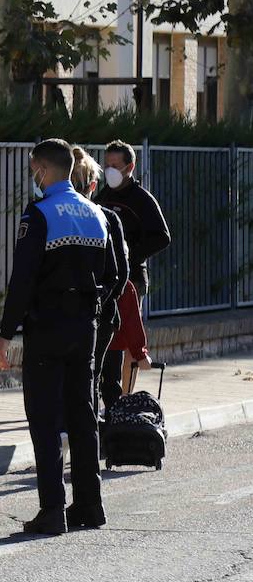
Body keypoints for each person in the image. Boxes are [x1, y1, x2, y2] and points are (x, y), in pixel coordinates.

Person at [0, 139, 122, 536]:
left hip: (47, 326)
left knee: (46, 419)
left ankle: (52, 511)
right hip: (86, 326)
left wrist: (5, 333)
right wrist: (91, 306)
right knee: (83, 415)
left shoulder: (40, 214)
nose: (34, 176)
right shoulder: (95, 213)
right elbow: (115, 274)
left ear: (43, 170)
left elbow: (23, 280)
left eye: (35, 169)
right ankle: (89, 505)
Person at [95, 140, 170, 400]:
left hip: (132, 279)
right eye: (106, 165)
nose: (110, 170)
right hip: (107, 279)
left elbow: (162, 237)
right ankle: (105, 391)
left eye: (115, 165)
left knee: (128, 339)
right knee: (108, 336)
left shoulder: (142, 200)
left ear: (130, 166)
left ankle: (125, 397)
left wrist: (128, 255)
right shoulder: (103, 195)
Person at [70, 147, 130, 413]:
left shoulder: (55, 216)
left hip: (63, 312)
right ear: (94, 185)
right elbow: (121, 273)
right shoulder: (108, 217)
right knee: (91, 377)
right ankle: (89, 438)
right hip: (101, 313)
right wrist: (102, 301)